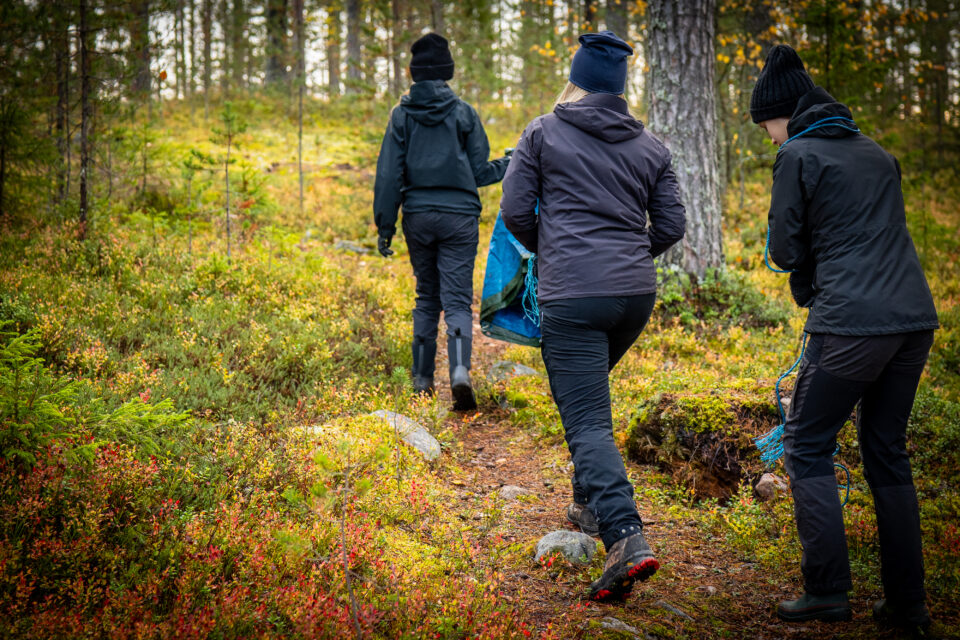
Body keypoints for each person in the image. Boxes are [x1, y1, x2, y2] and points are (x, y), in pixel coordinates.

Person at [752, 45, 939, 633]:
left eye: (766, 126)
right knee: (887, 450)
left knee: (806, 443)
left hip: (852, 326)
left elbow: (784, 249)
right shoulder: (877, 154)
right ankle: (908, 605)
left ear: (784, 114)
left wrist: (807, 283)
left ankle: (827, 592)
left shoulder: (796, 155)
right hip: (913, 321)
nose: (768, 137)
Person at [500, 31, 686, 602]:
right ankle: (585, 504)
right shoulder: (652, 147)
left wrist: (551, 255)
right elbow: (673, 227)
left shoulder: (542, 131)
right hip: (634, 297)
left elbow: (513, 210)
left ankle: (626, 536)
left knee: (585, 420)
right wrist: (629, 256)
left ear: (576, 79)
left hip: (573, 296)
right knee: (590, 396)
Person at [374, 33, 510, 410]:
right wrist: (510, 163)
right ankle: (460, 373)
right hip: (460, 219)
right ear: (446, 72)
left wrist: (385, 227)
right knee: (457, 300)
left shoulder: (401, 116)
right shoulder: (463, 112)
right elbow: (481, 172)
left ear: (414, 74)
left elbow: (388, 175)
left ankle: (421, 381)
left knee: (426, 296)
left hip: (418, 217)